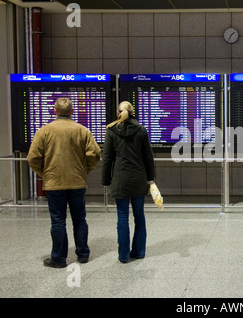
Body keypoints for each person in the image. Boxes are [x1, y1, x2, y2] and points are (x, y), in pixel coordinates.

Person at [27, 97, 101, 268]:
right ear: (72, 112)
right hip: (77, 181)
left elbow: (33, 158)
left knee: (58, 220)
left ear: (55, 111)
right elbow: (94, 154)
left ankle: (59, 259)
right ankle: (83, 254)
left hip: (54, 183)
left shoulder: (44, 131)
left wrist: (45, 173)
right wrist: (84, 171)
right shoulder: (82, 130)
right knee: (80, 219)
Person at [101, 101, 155, 263]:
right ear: (133, 112)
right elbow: (148, 157)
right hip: (139, 178)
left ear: (118, 113)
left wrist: (106, 179)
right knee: (139, 216)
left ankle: (123, 255)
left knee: (122, 216)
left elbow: (107, 158)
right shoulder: (141, 130)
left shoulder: (111, 130)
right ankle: (138, 252)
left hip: (120, 179)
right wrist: (150, 178)